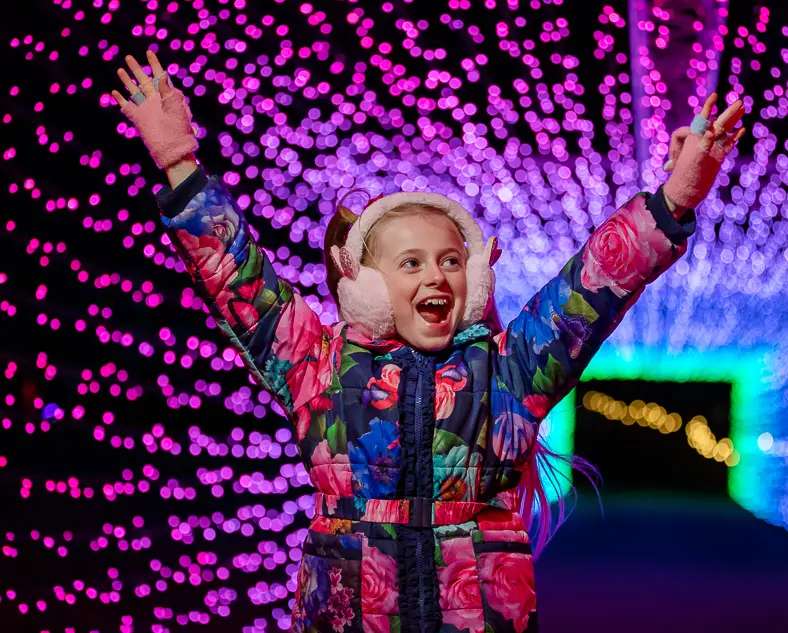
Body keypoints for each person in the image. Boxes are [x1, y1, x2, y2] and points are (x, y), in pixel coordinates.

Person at [112, 50, 745, 633]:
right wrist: (179, 165)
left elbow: (594, 286)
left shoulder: (510, 370)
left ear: (471, 279)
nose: (435, 275)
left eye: (449, 260)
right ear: (364, 284)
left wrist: (672, 201)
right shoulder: (317, 364)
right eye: (410, 263)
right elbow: (240, 281)